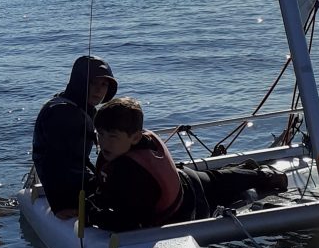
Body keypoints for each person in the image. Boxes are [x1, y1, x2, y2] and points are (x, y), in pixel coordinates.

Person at [89, 97, 288, 231]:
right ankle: (247, 169)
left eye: (112, 136)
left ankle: (265, 175)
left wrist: (93, 216)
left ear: (135, 137)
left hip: (192, 198)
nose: (104, 142)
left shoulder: (135, 174)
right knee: (219, 179)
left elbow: (132, 222)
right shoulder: (116, 152)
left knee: (223, 184)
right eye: (100, 135)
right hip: (184, 178)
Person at [32, 55, 118, 218]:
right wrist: (59, 205)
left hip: (77, 177)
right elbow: (54, 163)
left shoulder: (78, 104)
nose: (99, 90)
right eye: (92, 83)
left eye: (104, 84)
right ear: (79, 82)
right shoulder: (64, 114)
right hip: (66, 190)